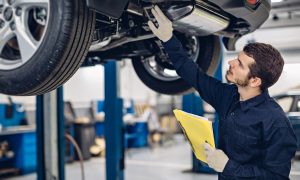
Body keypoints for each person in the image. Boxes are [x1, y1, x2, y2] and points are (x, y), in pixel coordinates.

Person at [147, 5, 297, 179]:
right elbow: (195, 76)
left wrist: (228, 167)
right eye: (237, 57)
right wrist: (169, 39)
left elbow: (276, 177)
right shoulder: (229, 96)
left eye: (240, 64)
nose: (231, 62)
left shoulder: (276, 122)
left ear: (255, 81)